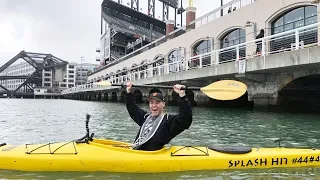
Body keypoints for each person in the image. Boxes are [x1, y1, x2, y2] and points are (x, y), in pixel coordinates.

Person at [124, 81, 193, 151]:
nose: (154, 105)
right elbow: (132, 108)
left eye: (157, 102)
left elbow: (185, 119)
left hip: (150, 158)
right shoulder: (145, 117)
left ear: (163, 104)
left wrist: (182, 95)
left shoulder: (168, 122)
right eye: (151, 102)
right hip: (136, 152)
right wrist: (129, 92)